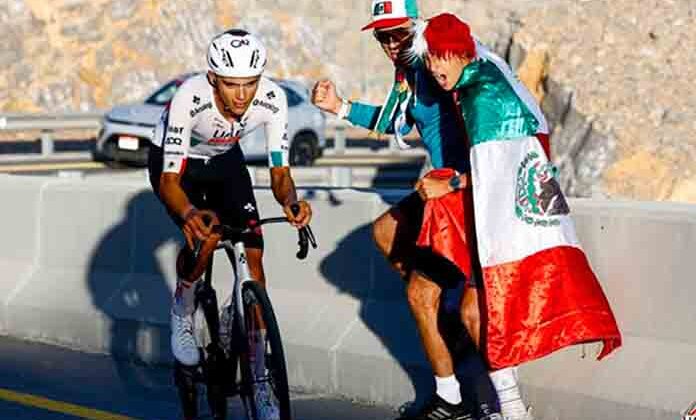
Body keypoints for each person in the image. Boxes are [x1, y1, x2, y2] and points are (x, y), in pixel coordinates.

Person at [410, 12, 623, 419]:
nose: (434, 66)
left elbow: (497, 172)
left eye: (440, 56)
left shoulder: (482, 97)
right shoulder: (475, 78)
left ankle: (511, 409)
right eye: (430, 57)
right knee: (473, 310)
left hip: (508, 216)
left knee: (477, 311)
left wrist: (449, 184)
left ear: (461, 52)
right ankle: (509, 407)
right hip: (503, 206)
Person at [312, 2, 504, 419]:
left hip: (463, 191)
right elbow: (394, 121)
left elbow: (488, 110)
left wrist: (466, 180)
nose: (390, 45)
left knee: (420, 293)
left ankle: (454, 397)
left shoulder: (436, 62)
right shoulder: (409, 70)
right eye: (382, 37)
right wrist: (339, 107)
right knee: (385, 232)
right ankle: (446, 325)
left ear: (416, 28)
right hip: (441, 190)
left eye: (397, 34)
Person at [148, 29, 312, 420]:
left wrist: (290, 201)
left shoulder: (272, 99)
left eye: (250, 84)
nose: (242, 95)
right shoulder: (189, 97)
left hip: (225, 162)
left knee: (254, 261)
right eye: (231, 85)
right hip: (178, 165)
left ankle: (260, 382)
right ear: (212, 79)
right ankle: (183, 309)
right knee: (205, 238)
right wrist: (189, 214)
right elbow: (169, 183)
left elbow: (280, 174)